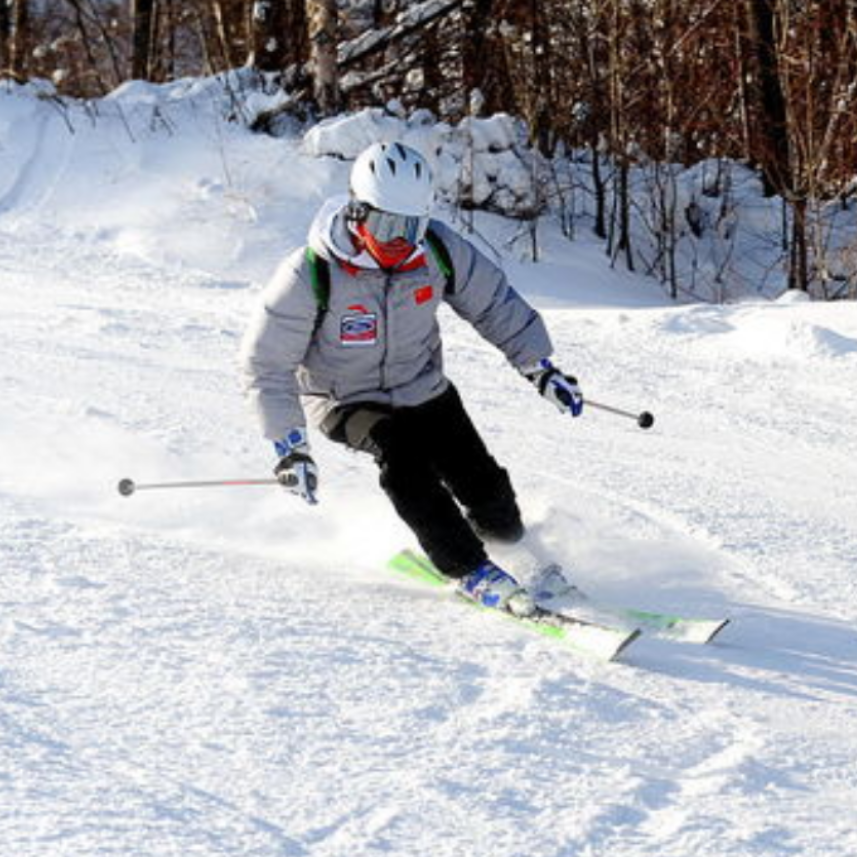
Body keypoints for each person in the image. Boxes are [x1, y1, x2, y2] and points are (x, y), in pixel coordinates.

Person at [241, 142, 583, 615]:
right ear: (358, 212)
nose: (399, 239)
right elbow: (266, 365)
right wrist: (289, 446)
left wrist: (539, 367)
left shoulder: (437, 250)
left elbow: (494, 304)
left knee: (480, 479)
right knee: (404, 464)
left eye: (411, 225)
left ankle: (512, 548)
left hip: (422, 386)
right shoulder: (310, 272)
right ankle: (469, 568)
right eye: (386, 224)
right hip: (345, 399)